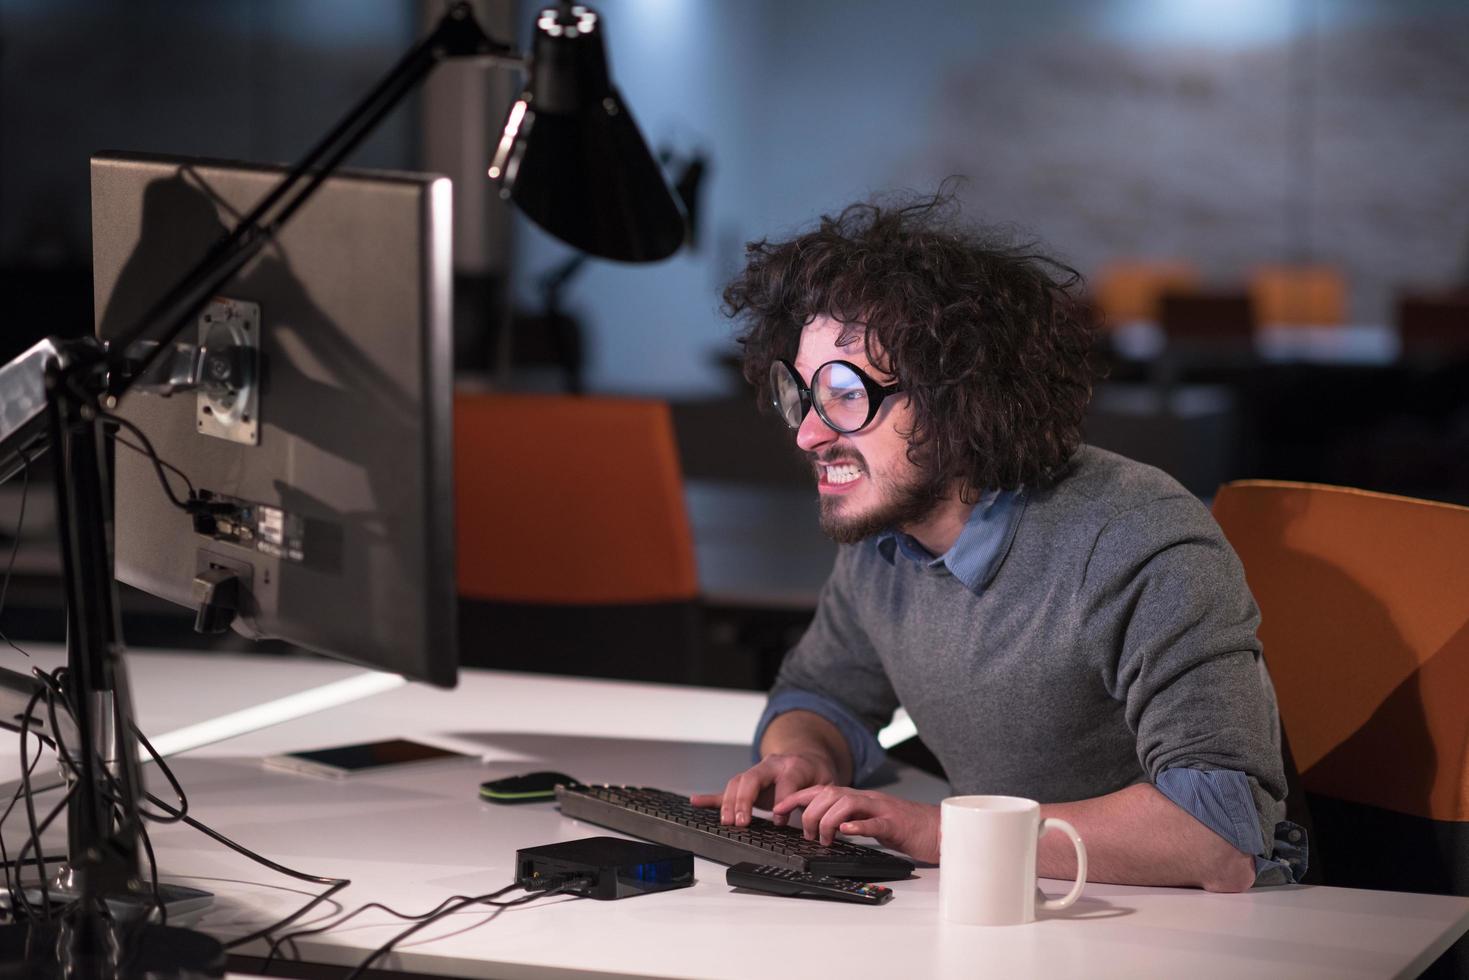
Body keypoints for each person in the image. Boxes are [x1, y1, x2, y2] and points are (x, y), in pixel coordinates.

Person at [690, 193, 1306, 891]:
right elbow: (820, 694)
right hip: (1014, 911)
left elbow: (1217, 835)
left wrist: (935, 831)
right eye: (801, 393)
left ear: (960, 398)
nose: (807, 433)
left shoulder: (1134, 537)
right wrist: (802, 756)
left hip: (1181, 932)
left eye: (845, 393)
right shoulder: (884, 537)